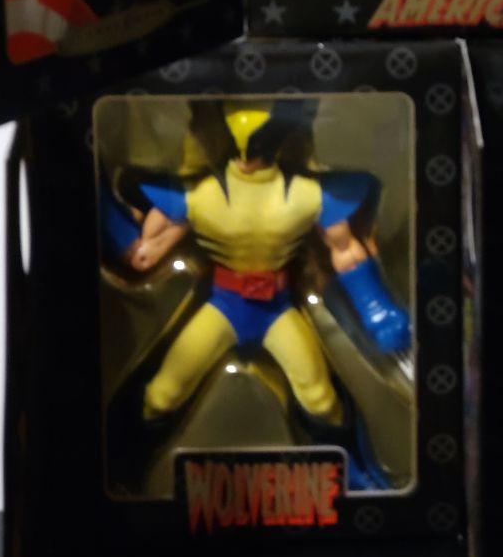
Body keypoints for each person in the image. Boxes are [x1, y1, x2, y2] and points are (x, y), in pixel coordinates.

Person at [115, 101, 410, 489]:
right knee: (162, 395)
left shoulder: (305, 194)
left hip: (277, 309)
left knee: (321, 399)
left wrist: (376, 309)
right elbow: (142, 255)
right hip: (224, 306)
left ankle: (356, 476)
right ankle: (124, 467)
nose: (249, 156)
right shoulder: (200, 195)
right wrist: (106, 217)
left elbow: (345, 249)